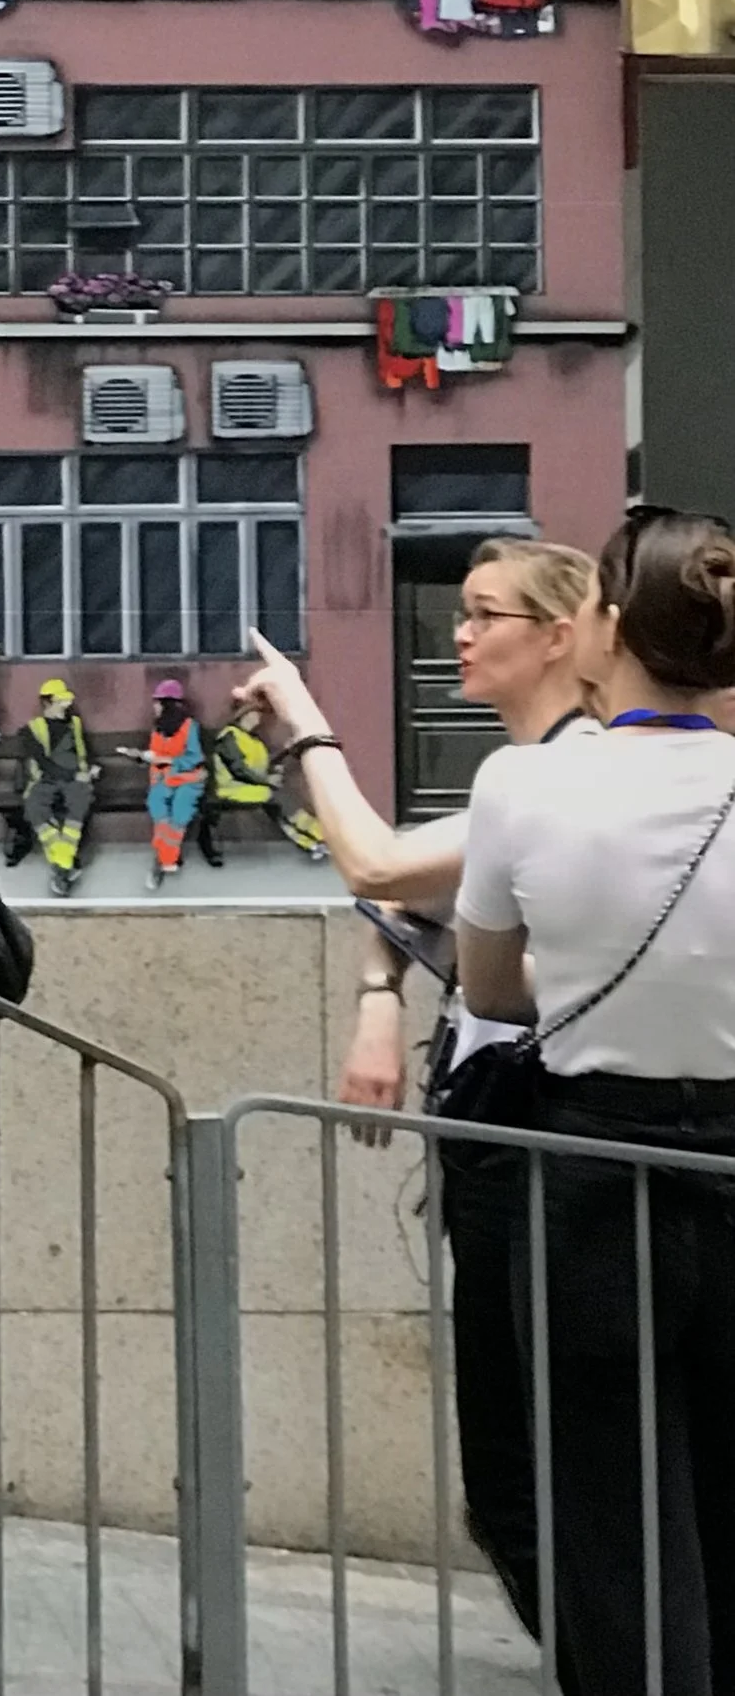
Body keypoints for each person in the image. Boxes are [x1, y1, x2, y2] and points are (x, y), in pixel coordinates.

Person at [234, 540, 601, 1659]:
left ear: (560, 636)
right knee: (521, 1464)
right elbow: (415, 905)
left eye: (486, 614)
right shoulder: (527, 771)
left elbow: (382, 869)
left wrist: (306, 725)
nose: (460, 632)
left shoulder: (569, 774)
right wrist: (378, 999)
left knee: (533, 1470)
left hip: (550, 1138)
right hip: (503, 1130)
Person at [456, 507, 735, 1696]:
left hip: (588, 1176)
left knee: (607, 1516)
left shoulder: (521, 785)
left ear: (608, 629)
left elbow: (487, 987)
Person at [199, 711, 329, 868]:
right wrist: (267, 781)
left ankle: (312, 842)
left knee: (280, 804)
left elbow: (261, 767)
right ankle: (319, 837)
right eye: (254, 714)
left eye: (259, 716)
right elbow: (238, 770)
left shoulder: (254, 740)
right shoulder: (229, 736)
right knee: (279, 799)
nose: (258, 719)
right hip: (231, 789)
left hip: (252, 788)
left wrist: (280, 762)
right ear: (243, 714)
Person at [17, 677, 95, 892]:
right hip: (47, 779)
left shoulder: (75, 724)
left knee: (80, 800)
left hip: (75, 779)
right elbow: (44, 763)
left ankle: (61, 866)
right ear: (47, 702)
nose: (66, 704)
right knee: (34, 806)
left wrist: (90, 769)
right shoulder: (32, 729)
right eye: (61, 701)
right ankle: (65, 861)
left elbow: (84, 751)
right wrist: (75, 775)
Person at [143, 680, 207, 886]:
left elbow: (195, 758)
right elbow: (156, 755)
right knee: (157, 805)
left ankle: (164, 858)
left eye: (158, 702)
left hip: (188, 779)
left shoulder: (190, 727)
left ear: (168, 704)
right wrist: (146, 758)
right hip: (164, 778)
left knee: (180, 810)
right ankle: (164, 856)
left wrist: (168, 761)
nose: (155, 706)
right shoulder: (157, 728)